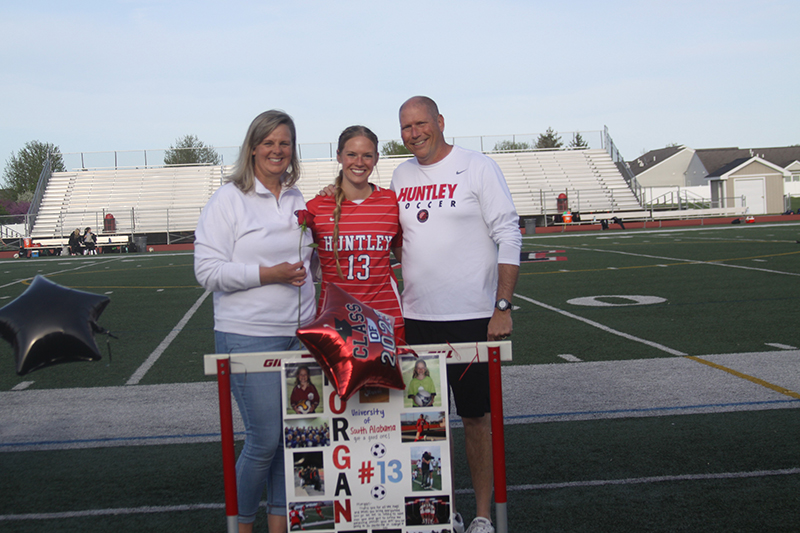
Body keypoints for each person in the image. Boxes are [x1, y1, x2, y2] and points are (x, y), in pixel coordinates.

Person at [391, 96, 521, 533]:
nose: (415, 133)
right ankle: (439, 511)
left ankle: (482, 514)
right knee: (424, 423)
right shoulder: (400, 173)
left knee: (474, 419)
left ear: (440, 122)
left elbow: (508, 234)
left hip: (471, 319)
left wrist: (501, 306)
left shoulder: (477, 166)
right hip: (418, 320)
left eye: (421, 123)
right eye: (407, 127)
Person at [194, 110, 315, 533]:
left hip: (299, 336)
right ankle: (241, 525)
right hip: (248, 335)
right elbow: (207, 272)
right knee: (264, 438)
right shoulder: (228, 199)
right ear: (252, 148)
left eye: (284, 143)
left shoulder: (298, 198)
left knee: (289, 441)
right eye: (269, 143)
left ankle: (279, 526)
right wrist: (269, 274)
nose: (277, 151)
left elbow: (311, 262)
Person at [304, 125, 404, 343]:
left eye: (367, 156)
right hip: (335, 321)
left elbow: (406, 256)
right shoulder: (316, 207)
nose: (359, 163)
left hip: (385, 319)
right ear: (339, 156)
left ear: (376, 158)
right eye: (351, 154)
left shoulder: (391, 202)